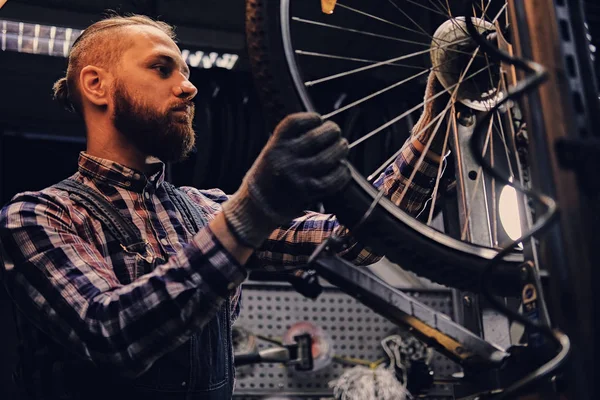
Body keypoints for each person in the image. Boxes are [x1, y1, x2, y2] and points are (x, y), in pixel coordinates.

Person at [0, 14, 449, 400]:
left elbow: (355, 237)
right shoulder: (39, 217)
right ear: (97, 84)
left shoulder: (205, 210)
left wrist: (438, 113)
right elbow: (111, 333)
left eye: (187, 71)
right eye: (162, 68)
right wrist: (250, 212)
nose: (189, 87)